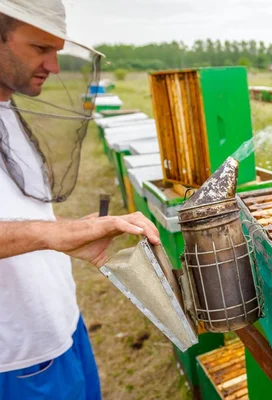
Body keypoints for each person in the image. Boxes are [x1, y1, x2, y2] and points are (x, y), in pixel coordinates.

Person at [0, 0, 160, 398]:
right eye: (40, 48)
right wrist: (53, 234)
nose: (53, 66)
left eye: (56, 50)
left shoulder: (8, 108)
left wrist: (71, 232)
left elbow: (20, 215)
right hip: (14, 361)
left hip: (62, 328)